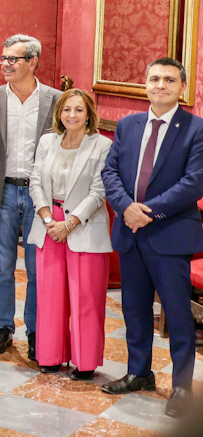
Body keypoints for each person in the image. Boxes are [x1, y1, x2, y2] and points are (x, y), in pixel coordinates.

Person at [101, 57, 203, 418]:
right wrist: (126, 207)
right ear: (145, 84)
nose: (161, 85)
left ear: (182, 87)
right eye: (155, 79)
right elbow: (110, 171)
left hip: (170, 234)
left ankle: (181, 386)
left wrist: (147, 211)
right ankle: (139, 372)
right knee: (134, 307)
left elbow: (194, 182)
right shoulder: (128, 125)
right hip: (130, 232)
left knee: (176, 313)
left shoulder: (195, 129)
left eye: (169, 80)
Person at [0, 34, 61, 359]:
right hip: (4, 190)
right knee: (2, 264)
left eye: (13, 59)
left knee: (36, 266)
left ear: (33, 62)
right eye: (3, 58)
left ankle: (35, 329)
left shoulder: (55, 100)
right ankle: (3, 327)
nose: (6, 64)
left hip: (40, 195)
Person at [27, 89, 112, 380]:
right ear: (59, 113)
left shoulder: (102, 145)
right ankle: (50, 356)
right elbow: (35, 182)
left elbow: (99, 192)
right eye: (66, 109)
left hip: (84, 226)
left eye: (78, 110)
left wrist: (70, 223)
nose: (71, 115)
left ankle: (86, 362)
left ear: (88, 114)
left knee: (86, 297)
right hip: (48, 225)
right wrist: (48, 219)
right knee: (49, 296)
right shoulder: (47, 141)